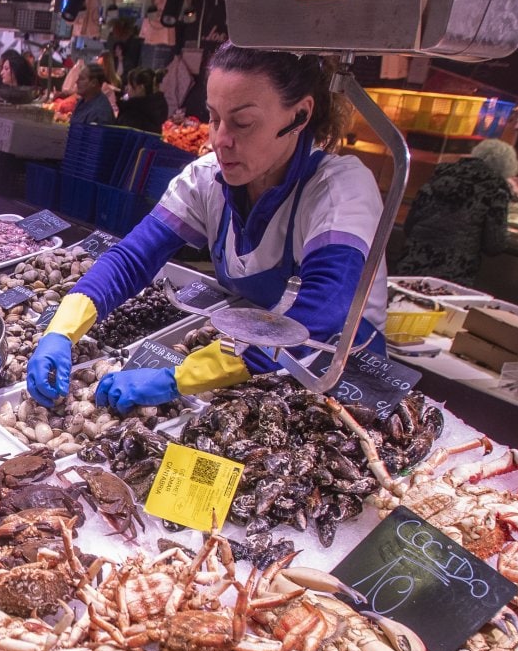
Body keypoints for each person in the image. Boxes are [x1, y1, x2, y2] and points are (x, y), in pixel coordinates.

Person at [29, 45, 386, 414]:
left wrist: (178, 378)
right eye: (214, 119)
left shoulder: (340, 191)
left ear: (299, 115)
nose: (220, 140)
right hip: (250, 368)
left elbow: (320, 316)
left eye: (243, 122)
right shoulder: (206, 180)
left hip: (343, 385)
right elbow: (132, 259)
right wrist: (62, 330)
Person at [391, 138, 518, 283]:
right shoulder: (495, 191)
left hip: (412, 262)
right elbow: (494, 245)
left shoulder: (439, 177)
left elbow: (409, 225)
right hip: (454, 273)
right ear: (506, 168)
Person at [115, 68, 168, 135]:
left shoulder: (133, 114)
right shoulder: (156, 108)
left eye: (129, 85)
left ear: (140, 88)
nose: (126, 88)